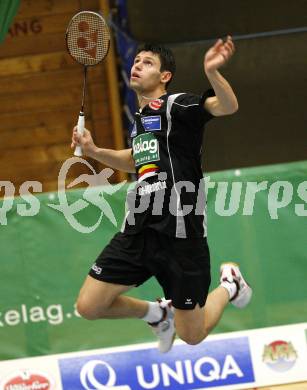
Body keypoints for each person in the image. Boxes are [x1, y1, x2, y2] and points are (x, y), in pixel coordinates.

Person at [71, 36, 252, 353]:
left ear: (164, 76)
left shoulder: (176, 105)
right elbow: (135, 159)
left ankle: (230, 285)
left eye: (147, 63)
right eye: (136, 61)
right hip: (141, 229)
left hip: (181, 233)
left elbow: (227, 106)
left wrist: (212, 73)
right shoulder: (139, 121)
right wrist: (94, 150)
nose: (137, 66)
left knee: (192, 335)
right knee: (88, 306)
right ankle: (156, 313)